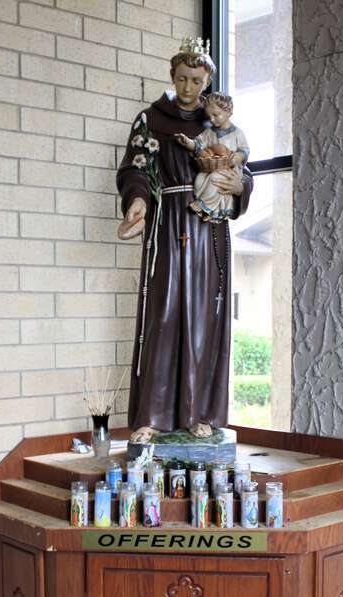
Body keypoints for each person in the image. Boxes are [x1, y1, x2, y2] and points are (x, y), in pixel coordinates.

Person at [117, 37, 253, 445]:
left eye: (197, 80)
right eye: (182, 79)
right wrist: (138, 201)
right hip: (167, 223)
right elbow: (135, 168)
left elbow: (245, 170)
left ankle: (202, 413)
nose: (189, 88)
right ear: (172, 77)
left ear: (207, 79)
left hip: (209, 228)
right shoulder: (151, 119)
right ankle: (152, 415)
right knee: (164, 313)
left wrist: (238, 183)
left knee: (204, 321)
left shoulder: (219, 126)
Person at [175, 92, 250, 223]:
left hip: (229, 170)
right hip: (211, 167)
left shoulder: (237, 133)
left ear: (229, 112)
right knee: (199, 180)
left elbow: (244, 150)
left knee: (215, 180)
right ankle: (212, 210)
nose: (212, 120)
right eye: (209, 116)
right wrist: (188, 143)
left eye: (216, 115)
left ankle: (204, 205)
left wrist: (238, 156)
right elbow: (199, 144)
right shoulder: (209, 132)